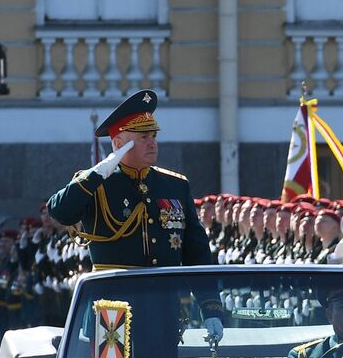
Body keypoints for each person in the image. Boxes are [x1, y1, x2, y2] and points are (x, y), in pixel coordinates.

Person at [46, 89, 221, 341]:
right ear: (119, 144)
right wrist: (96, 173)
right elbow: (60, 211)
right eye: (143, 137)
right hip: (111, 310)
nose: (152, 143)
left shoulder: (175, 186)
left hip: (163, 310)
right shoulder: (98, 183)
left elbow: (197, 253)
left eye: (154, 136)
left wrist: (209, 308)